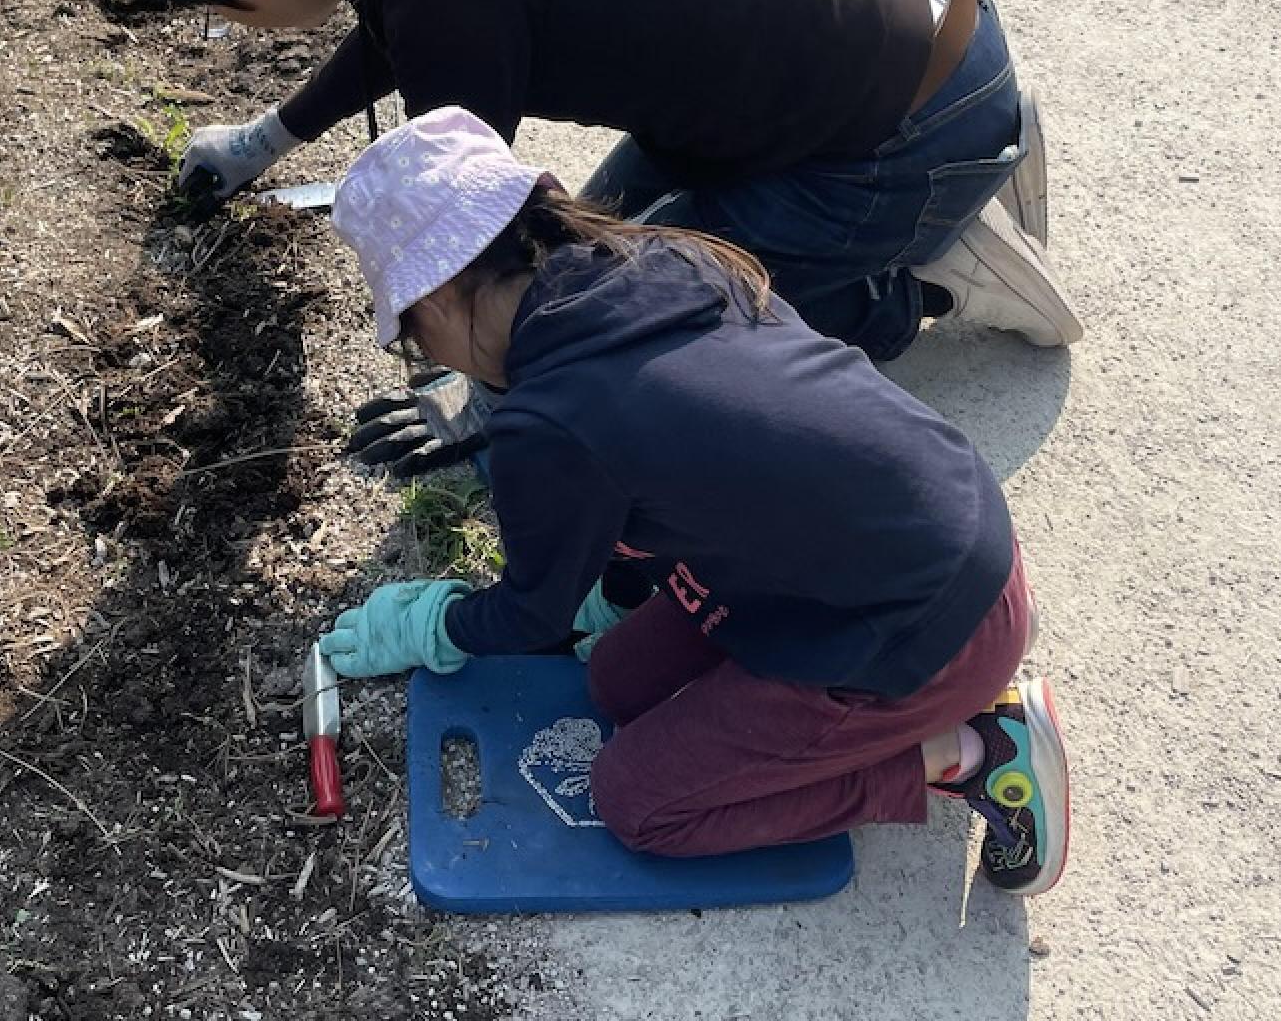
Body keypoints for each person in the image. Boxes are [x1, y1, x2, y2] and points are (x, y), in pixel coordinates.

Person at [96, 0, 1080, 472]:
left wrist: (483, 395)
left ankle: (923, 281)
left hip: (895, 132)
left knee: (635, 338)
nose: (233, 19)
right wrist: (267, 141)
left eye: (220, 8)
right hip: (910, 5)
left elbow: (476, 241)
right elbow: (410, 21)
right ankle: (962, 145)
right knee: (615, 239)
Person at [314, 107, 1070, 892]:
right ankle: (916, 701)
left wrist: (435, 623)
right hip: (944, 526)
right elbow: (714, 457)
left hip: (920, 629)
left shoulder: (546, 424)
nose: (424, 353)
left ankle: (973, 753)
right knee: (613, 682)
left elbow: (529, 616)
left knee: (641, 804)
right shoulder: (660, 258)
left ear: (435, 299)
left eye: (409, 335)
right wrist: (617, 587)